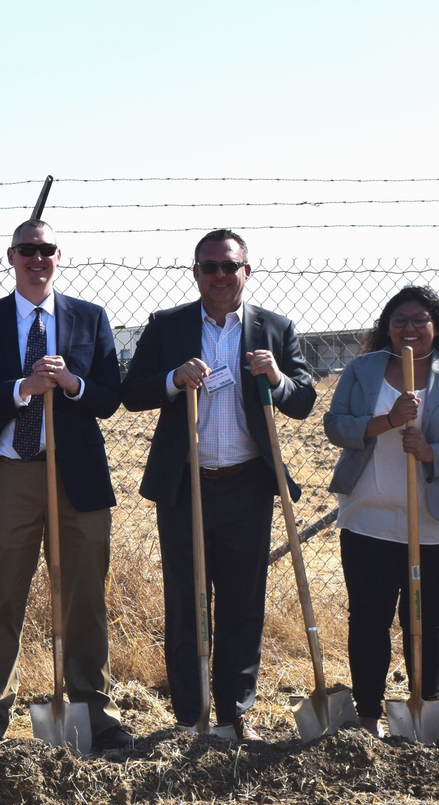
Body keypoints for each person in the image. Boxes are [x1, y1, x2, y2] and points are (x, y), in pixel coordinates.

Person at [123, 228, 316, 740]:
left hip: (247, 484)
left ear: (246, 271)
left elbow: (303, 400)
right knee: (187, 601)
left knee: (242, 603)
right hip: (185, 484)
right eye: (209, 267)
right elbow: (133, 391)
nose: (220, 275)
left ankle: (233, 713)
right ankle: (192, 716)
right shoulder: (168, 326)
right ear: (196, 273)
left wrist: (277, 379)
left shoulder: (275, 328)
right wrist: (173, 378)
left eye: (230, 266)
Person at [0, 220, 128, 752]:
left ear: (58, 255)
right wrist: (22, 388)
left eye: (46, 249)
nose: (37, 258)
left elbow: (110, 396)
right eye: (27, 250)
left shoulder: (89, 317)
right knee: (0, 593)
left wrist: (72, 384)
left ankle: (93, 710)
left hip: (76, 474)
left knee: (84, 596)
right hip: (12, 471)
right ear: (11, 256)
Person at [322, 286, 439, 731]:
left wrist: (432, 452)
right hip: (369, 517)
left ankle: (422, 707)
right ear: (388, 328)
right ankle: (368, 716)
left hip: (437, 522)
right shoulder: (362, 370)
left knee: (425, 616)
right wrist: (389, 421)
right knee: (368, 617)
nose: (409, 328)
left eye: (420, 320)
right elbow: (335, 426)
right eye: (400, 321)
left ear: (438, 327)